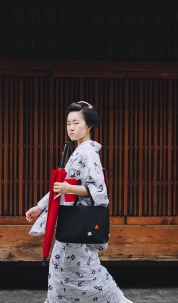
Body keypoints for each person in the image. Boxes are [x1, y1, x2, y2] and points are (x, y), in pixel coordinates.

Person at [25, 101, 133, 303]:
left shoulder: (88, 153)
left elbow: (99, 191)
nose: (71, 128)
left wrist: (69, 188)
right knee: (66, 271)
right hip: (71, 222)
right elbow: (61, 186)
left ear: (88, 126)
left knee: (83, 272)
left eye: (76, 123)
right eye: (68, 123)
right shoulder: (79, 151)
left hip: (78, 224)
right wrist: (40, 207)